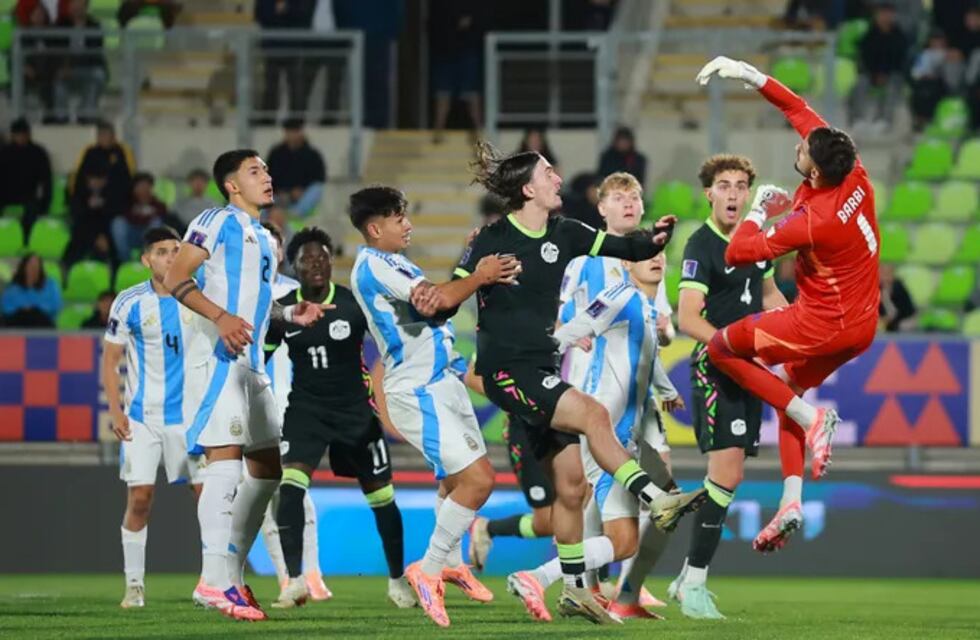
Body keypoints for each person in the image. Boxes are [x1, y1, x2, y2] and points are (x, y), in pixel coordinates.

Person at [459, 141, 700, 624]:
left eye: (635, 198)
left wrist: (655, 240)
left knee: (575, 496)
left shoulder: (576, 239)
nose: (558, 176)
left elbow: (632, 266)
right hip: (542, 385)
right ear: (529, 188)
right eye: (548, 171)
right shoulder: (498, 241)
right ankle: (653, 505)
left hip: (572, 391)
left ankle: (572, 587)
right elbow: (572, 317)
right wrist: (561, 332)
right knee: (585, 447)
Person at [694, 58, 879, 547]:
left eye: (802, 150)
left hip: (821, 321)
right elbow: (797, 108)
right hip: (862, 324)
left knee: (721, 349)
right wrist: (749, 74)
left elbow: (737, 252)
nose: (798, 144)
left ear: (814, 169)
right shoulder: (854, 172)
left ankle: (813, 419)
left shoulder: (813, 221)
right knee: (788, 394)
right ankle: (790, 502)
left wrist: (759, 210)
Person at [162, 149, 324, 621]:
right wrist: (220, 317)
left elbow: (252, 305)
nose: (267, 176)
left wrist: (289, 313)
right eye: (255, 171)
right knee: (226, 462)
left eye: (266, 169)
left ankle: (229, 573)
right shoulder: (216, 220)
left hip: (252, 366)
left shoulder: (263, 238)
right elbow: (175, 276)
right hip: (217, 360)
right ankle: (213, 582)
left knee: (268, 469)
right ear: (232, 185)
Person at [349, 185, 519, 627]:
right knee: (479, 481)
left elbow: (436, 309)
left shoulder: (398, 263)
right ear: (375, 228)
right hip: (417, 388)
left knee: (454, 481)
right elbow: (440, 299)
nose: (408, 225)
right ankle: (428, 569)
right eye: (399, 218)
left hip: (442, 380)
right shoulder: (375, 265)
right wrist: (479, 275)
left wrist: (467, 266)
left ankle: (453, 564)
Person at [510, 251, 686, 623]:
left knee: (614, 533)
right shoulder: (618, 295)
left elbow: (647, 359)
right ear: (626, 264)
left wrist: (667, 390)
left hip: (624, 429)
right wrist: (543, 361)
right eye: (646, 255)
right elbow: (574, 326)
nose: (656, 259)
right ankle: (545, 579)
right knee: (620, 532)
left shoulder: (646, 308)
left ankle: (568, 588)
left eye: (660, 255)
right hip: (606, 426)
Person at [264, 226, 414, 609]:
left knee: (382, 498)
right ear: (294, 267)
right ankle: (295, 581)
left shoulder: (352, 304)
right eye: (307, 259)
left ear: (332, 262)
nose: (316, 264)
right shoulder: (284, 310)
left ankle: (397, 581)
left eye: (323, 257)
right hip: (306, 412)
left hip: (355, 415)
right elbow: (259, 356)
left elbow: (390, 342)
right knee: (290, 490)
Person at [669, 153, 787, 619]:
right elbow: (687, 317)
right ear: (709, 194)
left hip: (747, 367)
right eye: (724, 185)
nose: (733, 193)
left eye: (741, 186)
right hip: (716, 365)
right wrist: (729, 346)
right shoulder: (701, 244)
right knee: (727, 474)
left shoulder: (756, 242)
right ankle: (694, 585)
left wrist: (796, 328)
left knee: (727, 477)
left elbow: (770, 296)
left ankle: (687, 577)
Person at [557, 171, 678, 605]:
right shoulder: (584, 259)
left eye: (634, 197)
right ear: (602, 208)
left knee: (651, 480)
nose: (628, 204)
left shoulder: (650, 257)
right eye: (618, 197)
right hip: (593, 387)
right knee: (604, 486)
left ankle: (623, 585)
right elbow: (562, 318)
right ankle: (589, 582)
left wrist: (663, 334)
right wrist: (573, 333)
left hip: (638, 391)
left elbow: (662, 329)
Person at [102, 226, 206, 609]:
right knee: (141, 498)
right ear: (147, 260)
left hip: (191, 418)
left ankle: (213, 583)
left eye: (176, 250)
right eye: (162, 252)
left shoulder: (200, 295)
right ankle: (134, 586)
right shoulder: (129, 302)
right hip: (142, 418)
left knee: (208, 501)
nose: (170, 257)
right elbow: (110, 360)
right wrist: (116, 411)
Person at [254, 221, 333, 603]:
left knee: (296, 489)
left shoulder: (296, 294)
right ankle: (288, 577)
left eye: (273, 246)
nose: (268, 252)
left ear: (282, 252)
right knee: (264, 492)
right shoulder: (239, 293)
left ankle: (311, 573)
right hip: (251, 405)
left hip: (290, 403)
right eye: (261, 245)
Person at [430, 0, 486, 142]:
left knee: (471, 92)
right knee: (443, 92)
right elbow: (433, 21)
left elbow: (479, 19)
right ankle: (438, 129)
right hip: (445, 49)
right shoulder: (440, 5)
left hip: (467, 49)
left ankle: (478, 130)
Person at [849, 2, 909, 132]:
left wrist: (885, 73)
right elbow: (865, 58)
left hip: (892, 74)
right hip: (871, 74)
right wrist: (875, 74)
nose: (885, 17)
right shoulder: (869, 36)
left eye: (888, 14)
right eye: (882, 14)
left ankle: (884, 120)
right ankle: (858, 119)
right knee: (860, 83)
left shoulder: (900, 37)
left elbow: (900, 60)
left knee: (894, 84)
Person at [254, 0, 317, 123]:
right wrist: (275, 11)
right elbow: (259, 15)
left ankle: (296, 119)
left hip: (294, 46)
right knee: (270, 85)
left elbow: (305, 15)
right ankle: (268, 118)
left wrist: (286, 9)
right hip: (272, 46)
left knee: (296, 85)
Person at [50, 0, 107, 124]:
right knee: (58, 80)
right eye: (74, 5)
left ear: (86, 7)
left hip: (87, 68)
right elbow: (55, 51)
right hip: (64, 68)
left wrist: (73, 67)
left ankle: (86, 115)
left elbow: (95, 53)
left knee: (98, 76)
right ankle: (61, 117)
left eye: (80, 5)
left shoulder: (94, 26)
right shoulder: (61, 25)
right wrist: (64, 67)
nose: (76, 8)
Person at [0, 118, 52, 236]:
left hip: (29, 195)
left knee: (32, 210)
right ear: (12, 135)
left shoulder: (38, 153)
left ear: (28, 135)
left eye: (23, 135)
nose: (21, 138)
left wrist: (45, 203)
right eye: (17, 135)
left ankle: (26, 238)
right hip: (6, 194)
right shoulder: (5, 153)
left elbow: (46, 180)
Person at [267, 119, 327, 217]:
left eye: (296, 131)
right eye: (290, 132)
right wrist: (281, 192)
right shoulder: (276, 153)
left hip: (302, 196)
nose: (293, 135)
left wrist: (302, 190)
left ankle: (294, 214)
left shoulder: (312, 154)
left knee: (317, 189)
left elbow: (319, 177)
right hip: (280, 195)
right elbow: (269, 176)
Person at [112, 173, 167, 263]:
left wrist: (144, 215)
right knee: (118, 222)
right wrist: (143, 215)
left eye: (146, 186)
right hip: (131, 234)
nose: (143, 189)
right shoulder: (127, 202)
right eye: (140, 186)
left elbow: (162, 216)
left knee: (156, 222)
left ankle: (145, 258)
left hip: (147, 237)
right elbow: (125, 217)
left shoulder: (157, 204)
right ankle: (125, 261)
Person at [1, 253, 61, 327]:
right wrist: (23, 308)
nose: (33, 268)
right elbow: (6, 307)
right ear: (24, 267)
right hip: (18, 320)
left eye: (36, 265)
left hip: (41, 320)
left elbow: (55, 306)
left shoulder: (50, 284)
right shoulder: (13, 287)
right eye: (30, 265)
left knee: (35, 315)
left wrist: (35, 308)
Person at [878, 263, 916, 331]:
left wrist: (886, 320)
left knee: (904, 325)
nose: (885, 277)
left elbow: (900, 312)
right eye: (882, 273)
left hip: (903, 319)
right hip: (884, 321)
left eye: (888, 274)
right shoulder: (877, 288)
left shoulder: (898, 287)